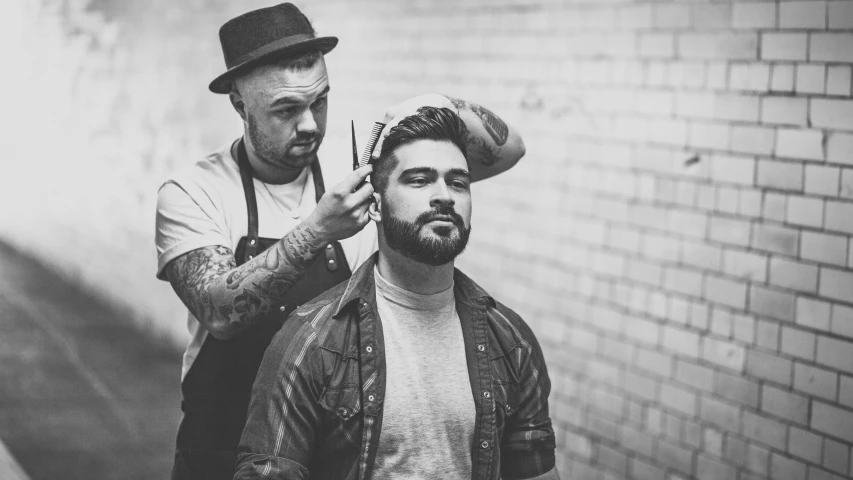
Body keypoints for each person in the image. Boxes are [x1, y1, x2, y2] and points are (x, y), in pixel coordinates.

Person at [154, 3, 527, 479]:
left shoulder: (357, 169)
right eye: (286, 109)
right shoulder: (193, 191)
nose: (310, 124)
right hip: (220, 447)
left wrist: (436, 104)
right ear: (240, 105)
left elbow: (508, 150)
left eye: (320, 101)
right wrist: (318, 230)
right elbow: (218, 310)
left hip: (332, 445)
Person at [234, 106, 557, 480]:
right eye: (419, 180)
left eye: (458, 183)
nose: (445, 197)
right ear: (374, 205)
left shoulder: (510, 340)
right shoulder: (312, 341)